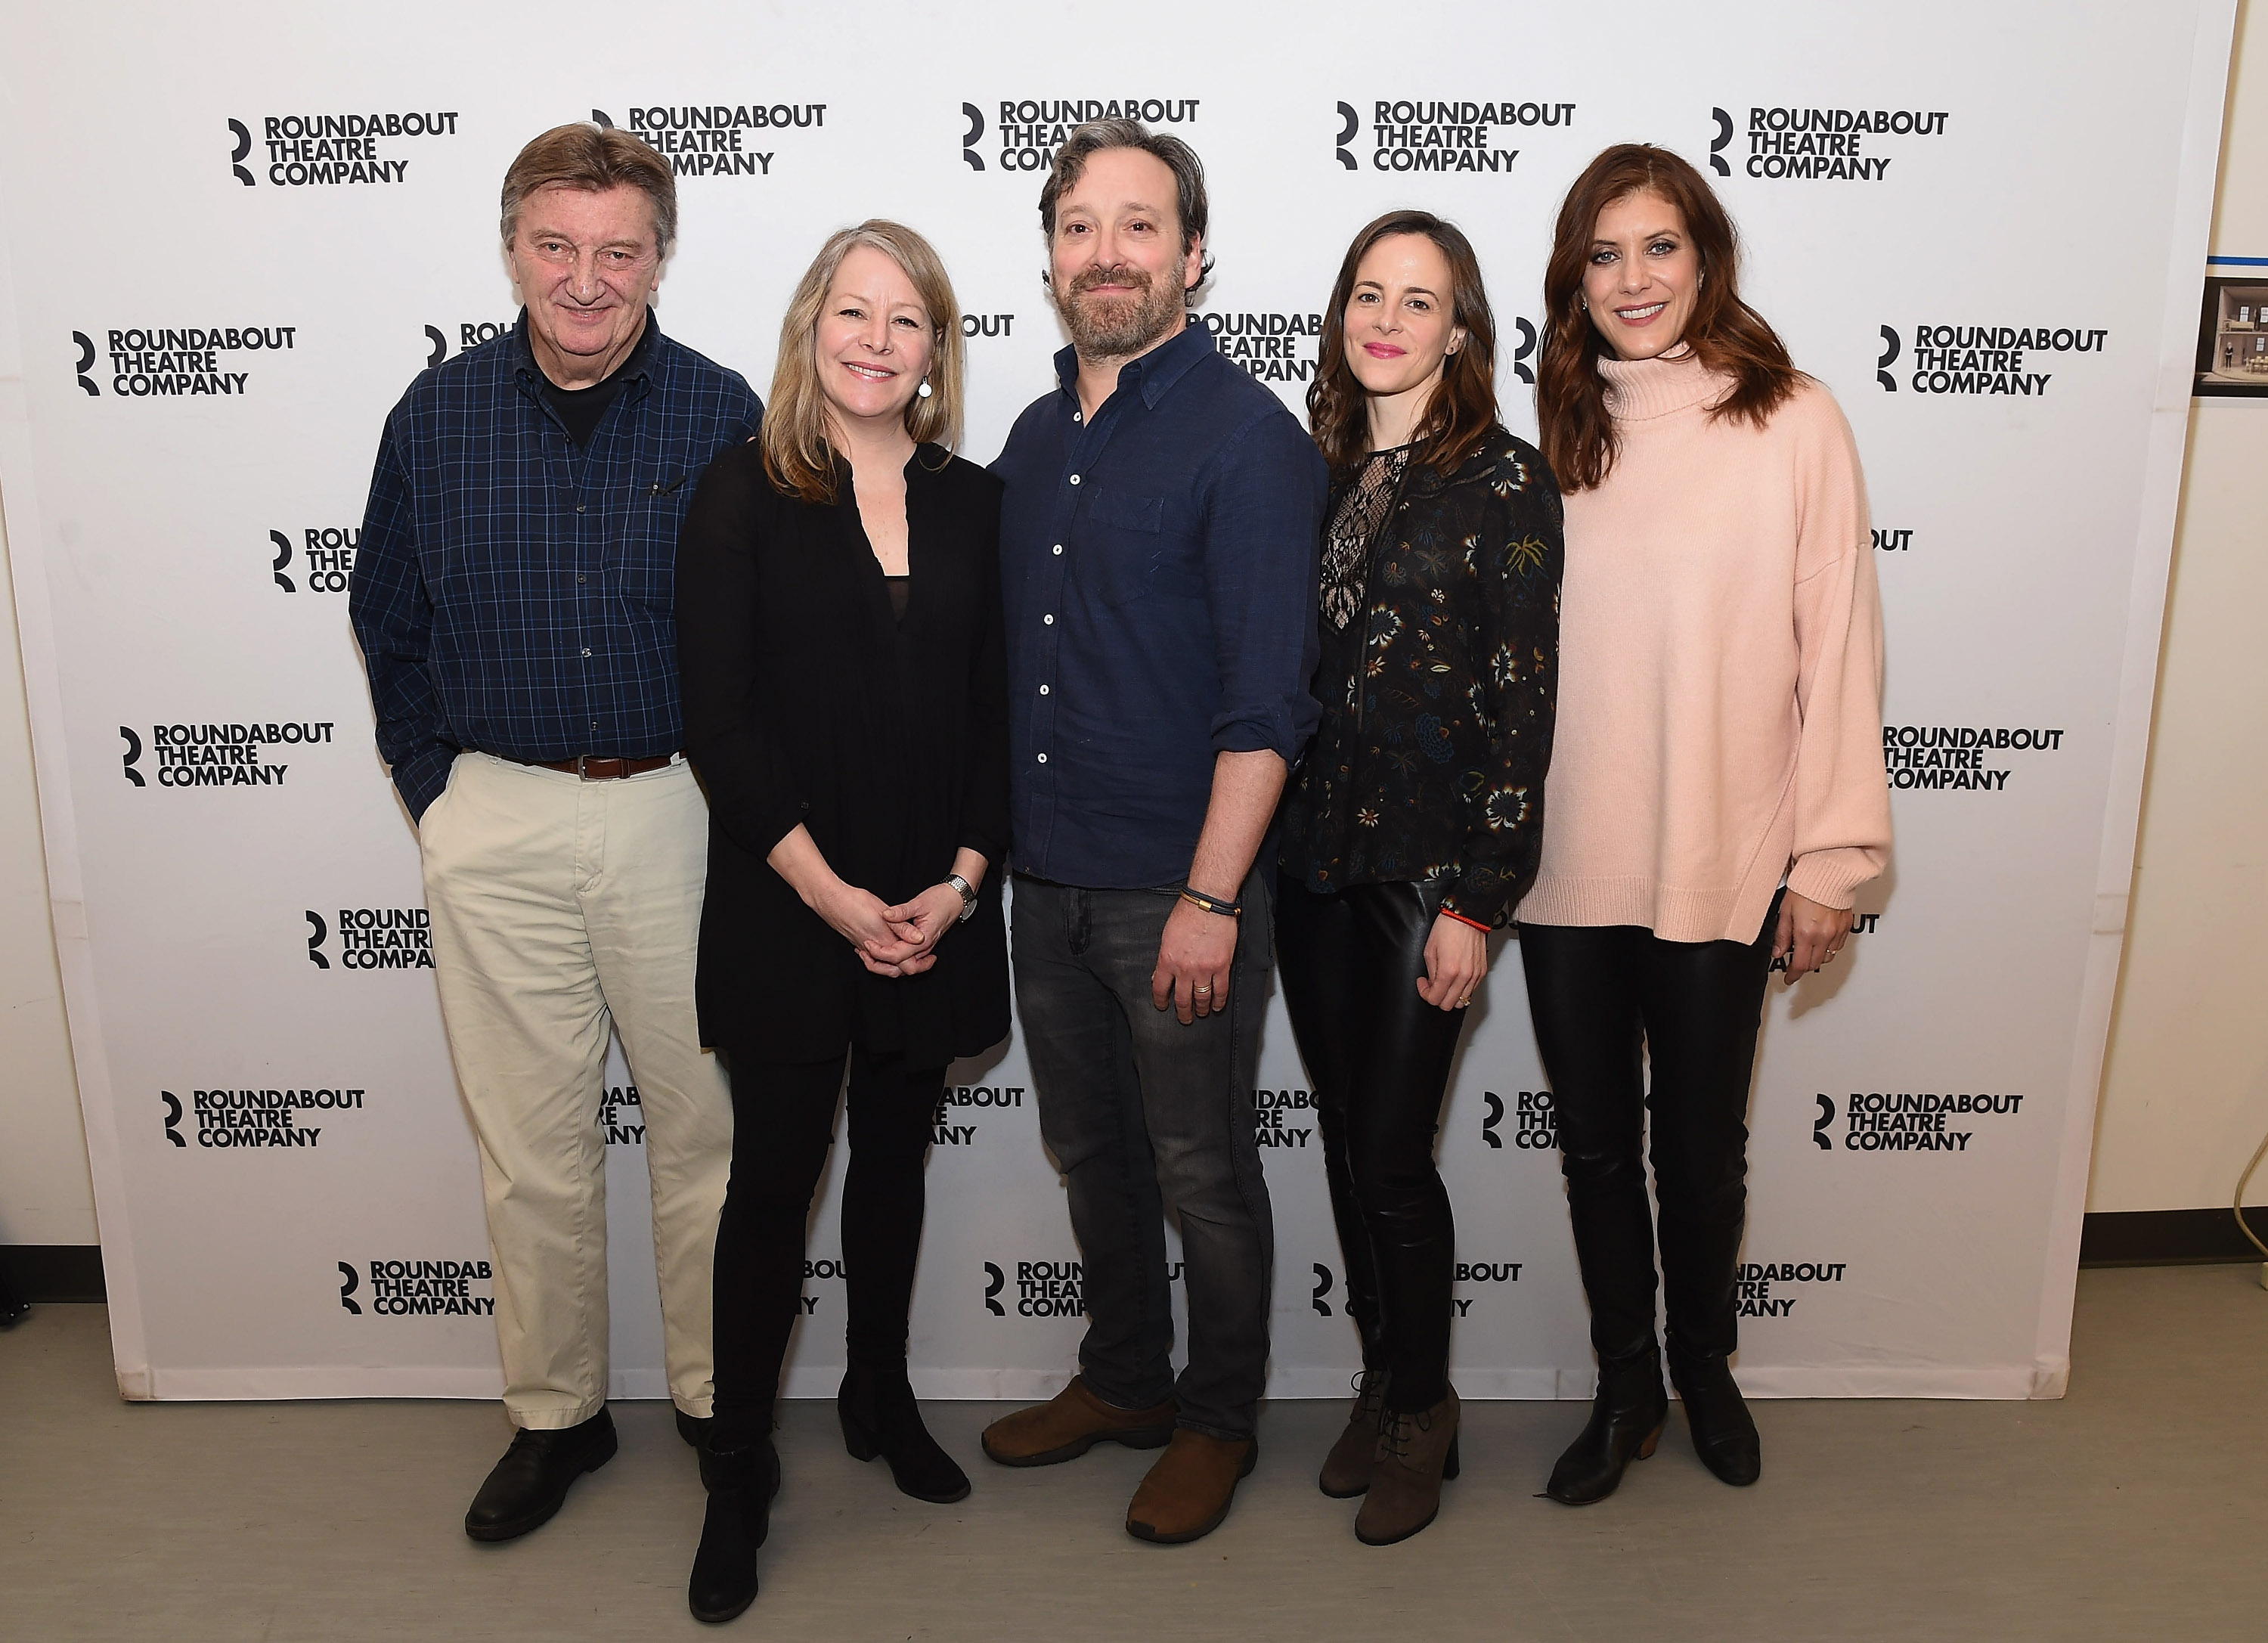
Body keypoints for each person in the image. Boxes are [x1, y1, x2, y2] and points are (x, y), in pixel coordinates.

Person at [348, 123, 761, 1543]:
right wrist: (434, 790)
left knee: (705, 1129)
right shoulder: (436, 413)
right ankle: (556, 1417)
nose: (586, 281)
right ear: (514, 246)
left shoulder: (724, 415)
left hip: (682, 812)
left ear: (659, 256)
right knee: (531, 1145)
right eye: (557, 248)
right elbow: (386, 617)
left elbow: (776, 638)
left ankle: (720, 1405)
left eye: (619, 252)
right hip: (497, 811)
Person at [1519, 144, 1891, 1505]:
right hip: (1566, 858)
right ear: (1574, 276)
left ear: (1705, 255)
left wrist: (1834, 858)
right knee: (1597, 1146)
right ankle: (1626, 1386)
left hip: (1729, 850)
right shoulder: (1557, 432)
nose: (1634, 279)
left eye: (1659, 247)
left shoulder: (1793, 418)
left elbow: (1839, 649)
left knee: (1702, 1148)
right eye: (1604, 254)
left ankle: (1707, 1366)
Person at [978, 119, 1327, 1545]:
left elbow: (1267, 703)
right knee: (1091, 1152)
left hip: (1173, 893)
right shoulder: (1031, 431)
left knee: (1201, 1166)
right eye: (1081, 225)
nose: (1107, 251)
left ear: (1194, 256)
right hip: (1042, 878)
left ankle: (1218, 1417)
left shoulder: (1249, 439)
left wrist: (1211, 897)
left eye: (1140, 225)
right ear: (1052, 254)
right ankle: (1122, 1378)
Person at [674, 221, 1009, 1624]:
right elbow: (720, 722)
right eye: (852, 312)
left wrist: (962, 878)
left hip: (931, 905)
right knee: (771, 1190)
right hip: (788, 904)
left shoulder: (977, 501)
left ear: (938, 349)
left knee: (897, 1166)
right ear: (813, 325)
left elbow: (1001, 708)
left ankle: (880, 1390)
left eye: (907, 319)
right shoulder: (742, 491)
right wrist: (831, 897)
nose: (877, 340)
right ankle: (740, 1463)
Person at [1275, 210, 1563, 1545]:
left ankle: (1424, 1407)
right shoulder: (1321, 468)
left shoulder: (1505, 483)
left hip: (1425, 876)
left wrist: (1477, 901)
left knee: (1393, 1153)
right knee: (1344, 1140)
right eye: (1367, 294)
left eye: (1420, 299)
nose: (1387, 318)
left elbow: (1523, 710)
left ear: (1463, 327)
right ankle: (1384, 1374)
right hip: (1313, 866)